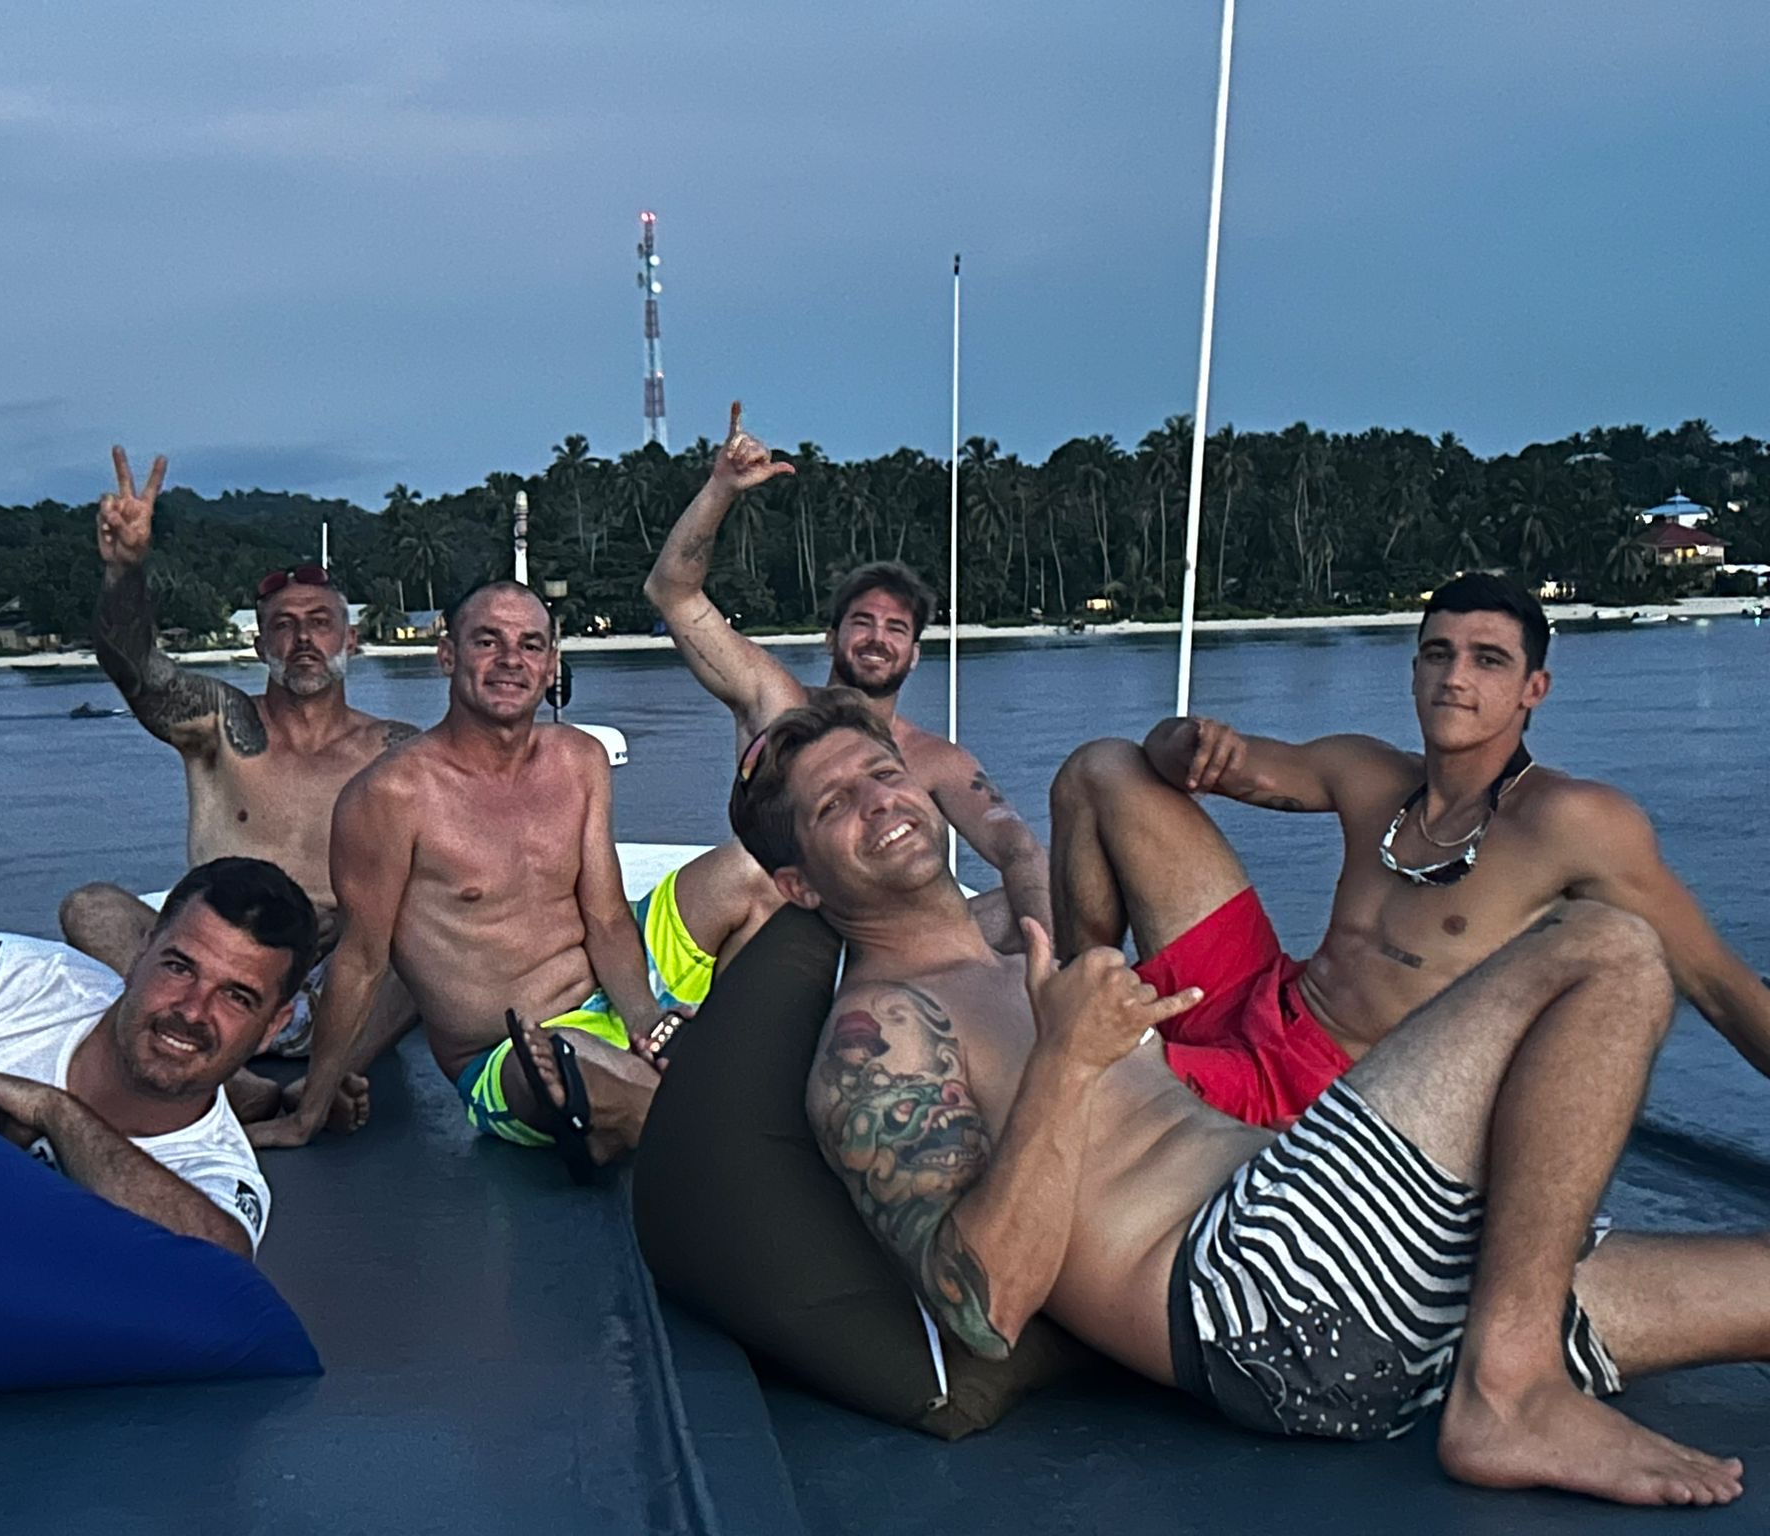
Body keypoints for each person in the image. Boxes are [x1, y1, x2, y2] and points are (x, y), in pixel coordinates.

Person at [735, 693, 1761, 1507]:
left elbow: (1053, 860)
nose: (879, 802)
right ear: (798, 886)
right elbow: (981, 1312)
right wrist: (1065, 1064)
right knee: (1608, 946)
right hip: (1258, 1289)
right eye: (835, 807)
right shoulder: (880, 1034)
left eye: (883, 774)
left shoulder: (1014, 964)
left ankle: (1506, 1354)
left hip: (1364, 1272)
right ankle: (1510, 1390)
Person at [1050, 571, 1770, 1126]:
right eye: (1438, 654)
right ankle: (1086, 990)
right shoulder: (1368, 772)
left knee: (1071, 1077)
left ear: (1534, 688)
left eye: (1488, 660)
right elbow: (1204, 761)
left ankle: (1095, 1048)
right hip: (1262, 1000)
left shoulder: (1573, 820)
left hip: (1330, 1102)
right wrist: (1186, 741)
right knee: (1104, 766)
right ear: (1415, 671)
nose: (1455, 677)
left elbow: (1716, 983)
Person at [248, 580, 779, 1167]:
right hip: (512, 1047)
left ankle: (690, 1070)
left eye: (530, 645)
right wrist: (311, 1108)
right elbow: (362, 962)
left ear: (550, 665)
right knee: (571, 1065)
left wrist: (647, 1024)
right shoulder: (389, 797)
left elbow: (606, 917)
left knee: (758, 873)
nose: (510, 660)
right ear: (447, 656)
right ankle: (682, 1106)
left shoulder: (579, 759)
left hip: (622, 987)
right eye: (487, 641)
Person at [59, 446, 419, 1122]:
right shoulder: (219, 725)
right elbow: (133, 667)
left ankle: (332, 1073)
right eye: (283, 626)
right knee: (89, 908)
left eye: (320, 623)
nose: (303, 639)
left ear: (352, 640)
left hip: (343, 990)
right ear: (259, 647)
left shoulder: (397, 750)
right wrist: (124, 572)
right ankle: (241, 1084)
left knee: (423, 929)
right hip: (217, 983)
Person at [643, 403, 1051, 946]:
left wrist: (1049, 958)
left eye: (896, 628)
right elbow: (672, 592)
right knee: (754, 869)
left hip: (873, 948)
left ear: (914, 654)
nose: (878, 638)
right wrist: (722, 488)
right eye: (863, 622)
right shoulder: (777, 701)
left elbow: (1017, 849)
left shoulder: (937, 761)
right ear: (831, 638)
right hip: (768, 934)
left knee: (1059, 888)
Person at [0, 858, 319, 1258]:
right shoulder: (4, 981)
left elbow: (217, 1267)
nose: (192, 1010)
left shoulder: (216, 1174)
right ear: (141, 953)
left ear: (273, 1027)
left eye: (236, 997)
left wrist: (55, 1113)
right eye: (178, 967)